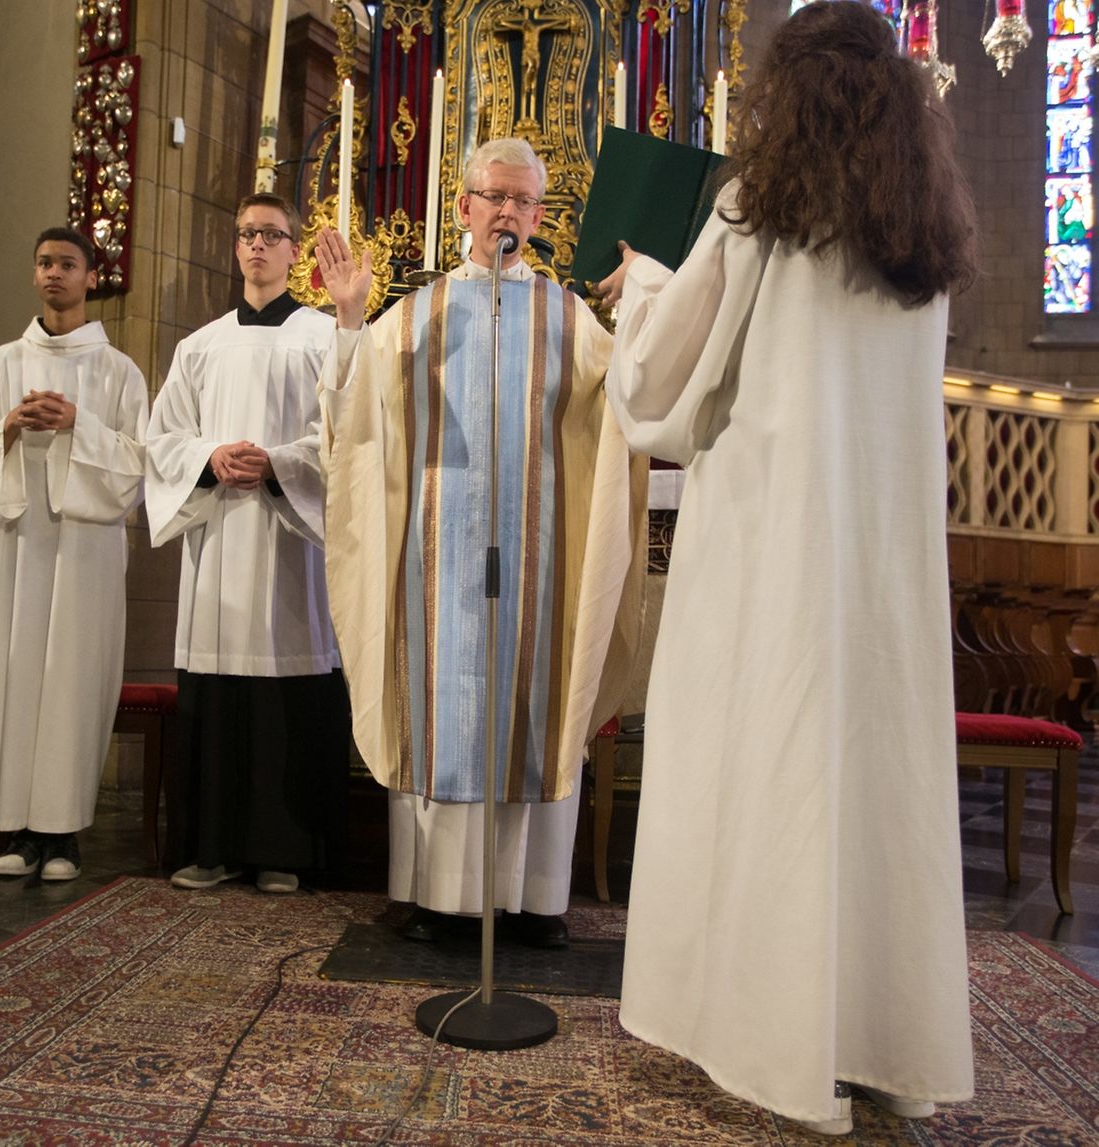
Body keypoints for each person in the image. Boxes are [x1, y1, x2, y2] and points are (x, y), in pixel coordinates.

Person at [596, 2, 980, 1135]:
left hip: (771, 547)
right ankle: (884, 1046)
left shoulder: (758, 212)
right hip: (882, 564)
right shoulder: (922, 239)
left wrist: (642, 282)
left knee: (769, 765)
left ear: (788, 93)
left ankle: (774, 1040)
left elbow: (659, 384)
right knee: (873, 783)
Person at [315, 137, 646, 947]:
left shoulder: (570, 318)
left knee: (537, 701)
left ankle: (533, 900)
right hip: (437, 559)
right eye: (495, 196)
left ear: (539, 216)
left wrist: (644, 303)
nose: (508, 212)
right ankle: (436, 895)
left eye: (524, 201)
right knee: (444, 700)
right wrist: (351, 319)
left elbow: (632, 400)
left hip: (542, 556)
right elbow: (354, 420)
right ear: (463, 207)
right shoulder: (414, 315)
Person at [146, 193, 350, 895]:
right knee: (216, 686)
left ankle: (282, 850)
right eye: (246, 234)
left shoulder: (323, 336)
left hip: (291, 542)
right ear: (235, 248)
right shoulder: (199, 347)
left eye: (271, 234)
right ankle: (211, 848)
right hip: (218, 543)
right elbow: (162, 440)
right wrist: (209, 458)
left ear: (294, 249)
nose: (257, 244)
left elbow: (346, 433)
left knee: (289, 688)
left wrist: (280, 464)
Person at [0, 226, 148, 881]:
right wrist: (9, 427)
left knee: (71, 677)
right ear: (34, 274)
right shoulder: (5, 362)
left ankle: (61, 834)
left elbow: (139, 463)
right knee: (14, 671)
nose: (53, 273)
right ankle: (14, 828)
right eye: (44, 262)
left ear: (91, 276)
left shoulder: (118, 370)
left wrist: (77, 425)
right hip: (20, 544)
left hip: (85, 551)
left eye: (67, 263)